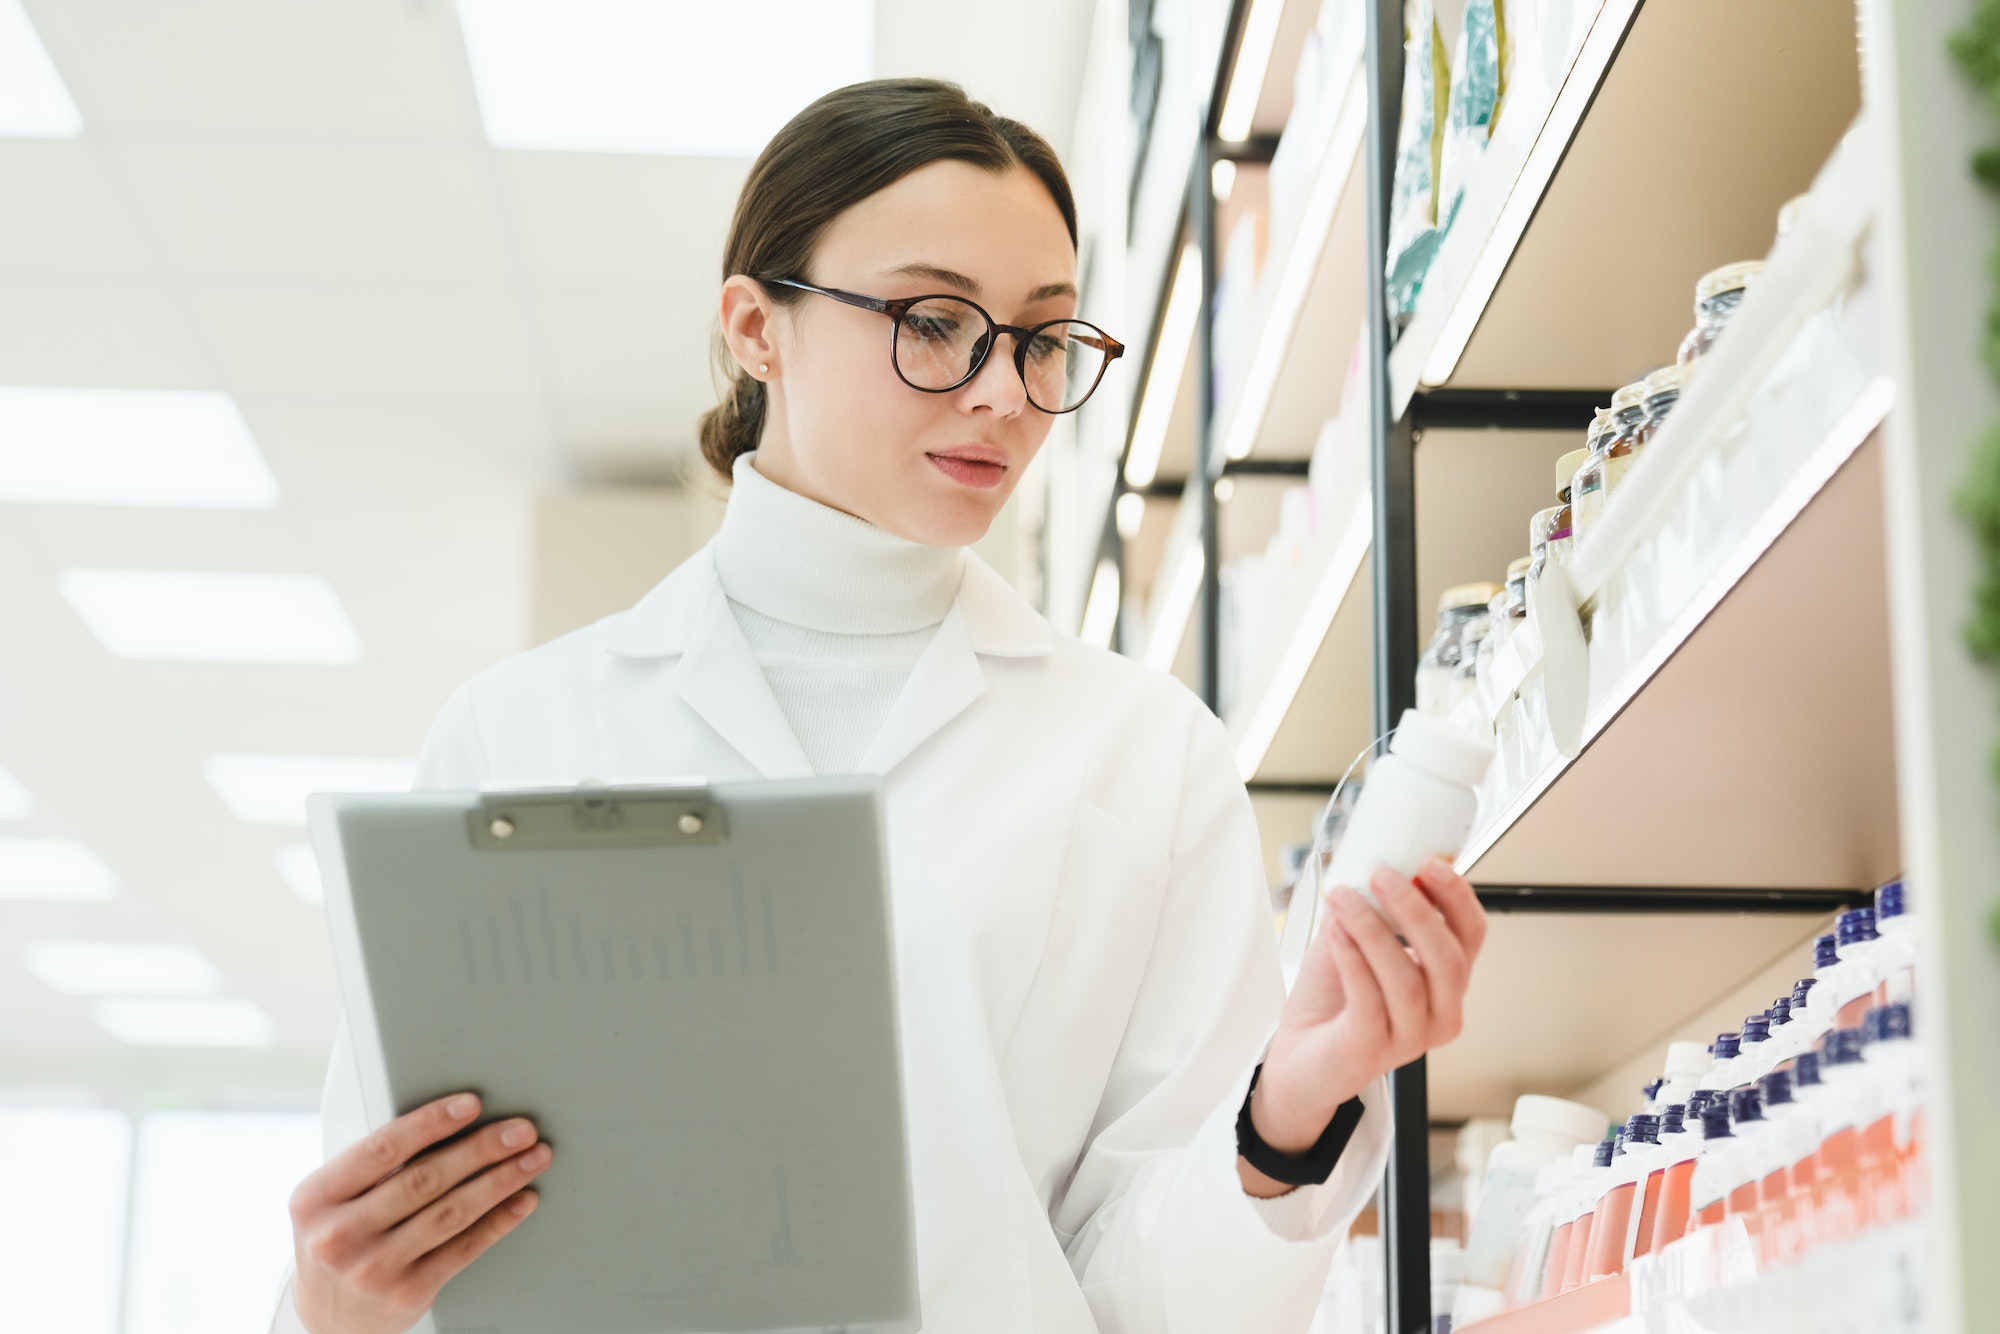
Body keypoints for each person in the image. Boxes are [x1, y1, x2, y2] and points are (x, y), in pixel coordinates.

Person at [273, 78, 1486, 1334]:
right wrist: (328, 1302)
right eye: (933, 320)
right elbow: (403, 1228)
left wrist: (1285, 1113)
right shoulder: (513, 736)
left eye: (1041, 337)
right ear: (756, 325)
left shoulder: (1144, 753)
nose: (1003, 394)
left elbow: (1139, 1295)